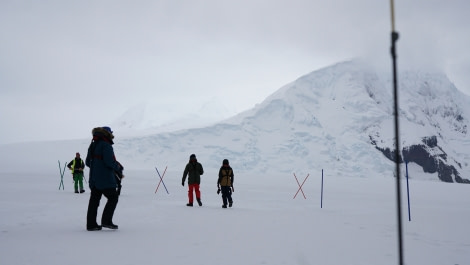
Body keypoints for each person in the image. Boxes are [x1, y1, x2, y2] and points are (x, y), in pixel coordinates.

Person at [85, 126, 122, 231]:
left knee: (94, 201)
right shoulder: (106, 145)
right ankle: (106, 221)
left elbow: (88, 162)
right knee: (113, 197)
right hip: (105, 179)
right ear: (108, 134)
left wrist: (96, 167)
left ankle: (91, 225)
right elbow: (109, 162)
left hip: (94, 179)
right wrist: (118, 167)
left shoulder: (92, 145)